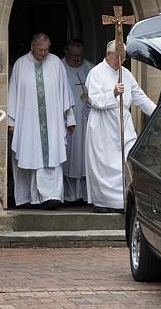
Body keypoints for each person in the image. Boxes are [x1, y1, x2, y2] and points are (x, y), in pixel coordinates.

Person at [85, 40, 156, 213]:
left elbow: (140, 97)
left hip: (123, 122)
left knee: (127, 158)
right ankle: (103, 202)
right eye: (118, 57)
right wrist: (114, 93)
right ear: (109, 55)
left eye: (124, 57)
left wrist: (157, 112)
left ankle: (123, 199)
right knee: (104, 163)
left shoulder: (126, 74)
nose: (121, 61)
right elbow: (93, 99)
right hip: (103, 124)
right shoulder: (96, 73)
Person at [8, 33, 76, 210]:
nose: (44, 53)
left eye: (46, 50)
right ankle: (30, 198)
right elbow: (13, 94)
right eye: (40, 50)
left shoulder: (56, 63)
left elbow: (65, 93)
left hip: (52, 122)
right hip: (28, 122)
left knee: (52, 157)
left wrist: (70, 118)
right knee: (29, 156)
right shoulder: (20, 65)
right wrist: (11, 121)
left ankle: (52, 197)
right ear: (32, 46)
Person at [61, 38, 95, 206]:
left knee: (84, 156)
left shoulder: (90, 68)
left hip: (86, 118)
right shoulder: (59, 68)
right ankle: (69, 195)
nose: (76, 59)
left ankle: (85, 194)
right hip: (65, 119)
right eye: (73, 55)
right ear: (66, 53)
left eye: (79, 56)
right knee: (68, 157)